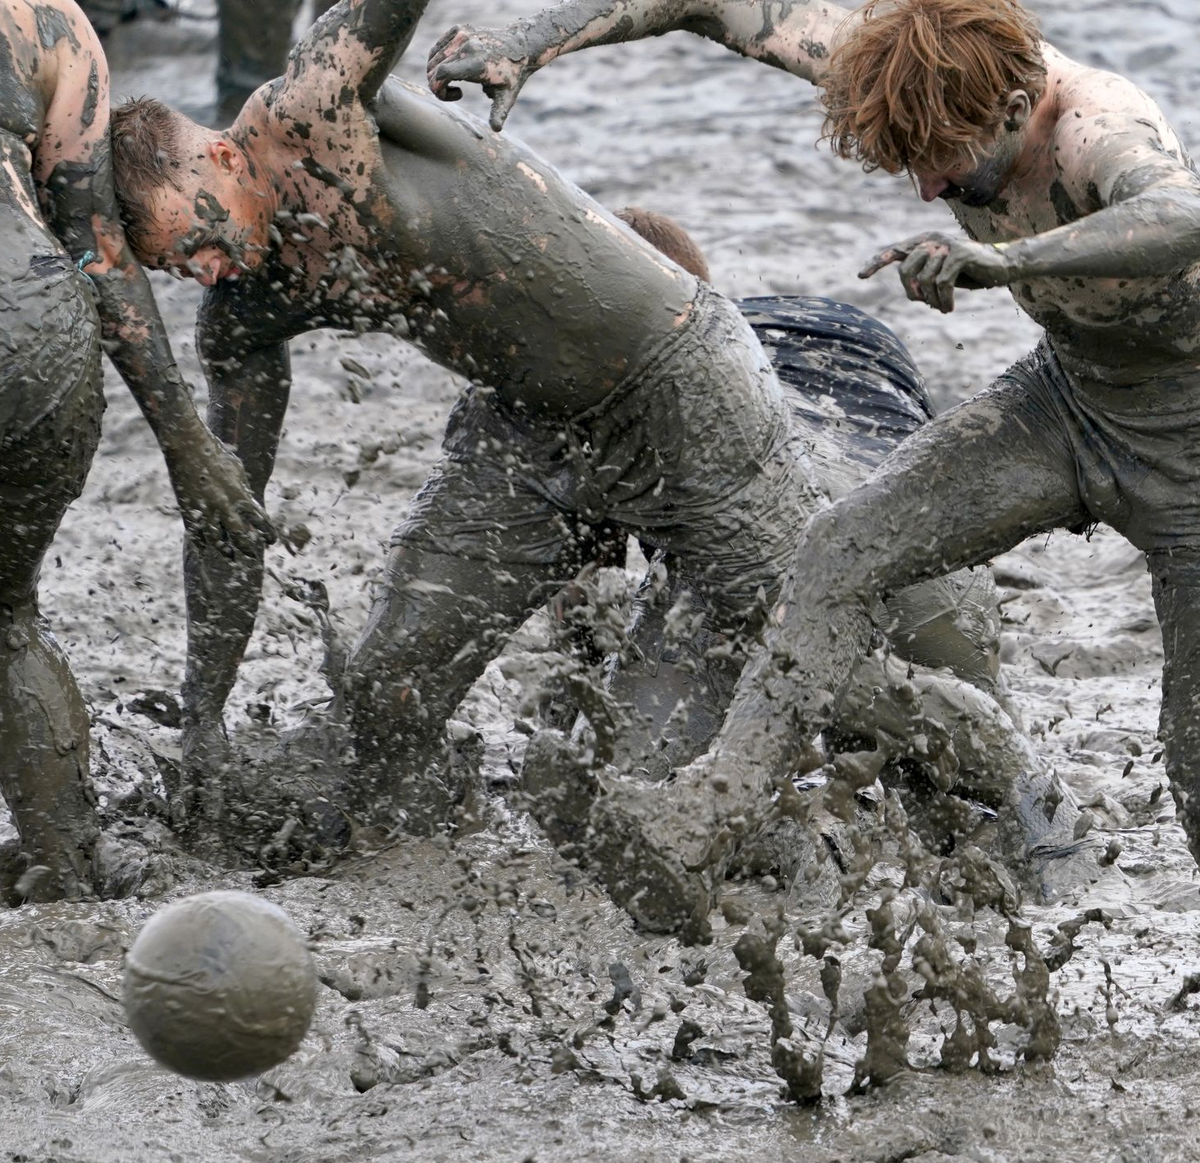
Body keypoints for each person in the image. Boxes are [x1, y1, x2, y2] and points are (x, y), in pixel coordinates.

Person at [107, 0, 1074, 891]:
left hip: (679, 382)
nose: (202, 270)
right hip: (527, 424)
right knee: (386, 685)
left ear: (225, 162)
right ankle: (381, 849)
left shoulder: (312, 112)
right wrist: (203, 714)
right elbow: (224, 517)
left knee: (801, 653)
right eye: (169, 266)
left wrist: (524, 40)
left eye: (194, 237)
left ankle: (1019, 780)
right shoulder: (242, 313)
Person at [428, 0, 1200, 937]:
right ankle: (705, 811)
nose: (927, 190)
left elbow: (1183, 212)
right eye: (909, 164)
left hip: (1190, 440)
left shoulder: (1094, 123)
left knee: (1192, 746)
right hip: (1071, 398)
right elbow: (711, 4)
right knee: (840, 547)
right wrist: (529, 41)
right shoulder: (916, 77)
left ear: (1013, 104)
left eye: (942, 163)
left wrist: (1009, 263)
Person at [0, 0, 269, 902]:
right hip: (32, 326)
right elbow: (94, 247)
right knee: (6, 619)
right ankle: (66, 871)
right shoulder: (49, 22)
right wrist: (190, 449)